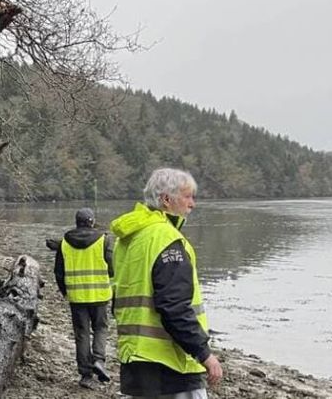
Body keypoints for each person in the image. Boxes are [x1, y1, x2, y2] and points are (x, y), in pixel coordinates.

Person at [109, 168, 224, 398]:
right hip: (171, 366)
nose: (192, 203)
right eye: (188, 196)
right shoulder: (167, 239)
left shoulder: (129, 238)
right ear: (166, 200)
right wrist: (204, 354)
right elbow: (174, 307)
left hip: (135, 360)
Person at [55, 207, 114, 389]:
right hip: (100, 295)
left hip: (77, 297)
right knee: (101, 329)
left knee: (81, 334)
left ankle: (86, 375)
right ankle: (99, 360)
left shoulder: (65, 242)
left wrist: (65, 291)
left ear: (77, 222)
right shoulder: (103, 240)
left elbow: (58, 272)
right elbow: (112, 268)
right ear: (92, 221)